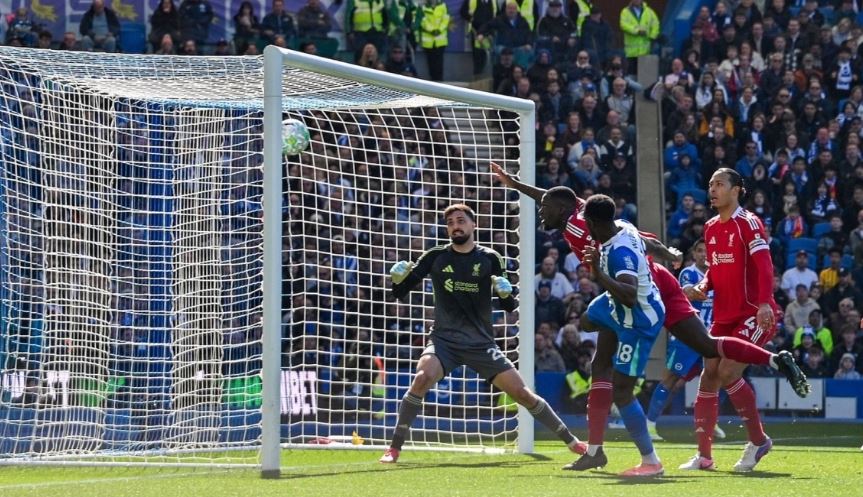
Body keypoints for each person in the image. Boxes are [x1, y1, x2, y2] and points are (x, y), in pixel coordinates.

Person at [489, 162, 810, 470]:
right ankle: (695, 454)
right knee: (703, 360)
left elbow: (626, 280)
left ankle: (648, 457)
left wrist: (600, 274)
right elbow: (558, 199)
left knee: (636, 369)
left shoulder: (584, 227)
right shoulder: (598, 214)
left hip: (647, 292)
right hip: (661, 286)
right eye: (710, 184)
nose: (541, 211)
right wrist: (516, 185)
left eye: (718, 184)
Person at [378, 204, 586, 463]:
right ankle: (394, 448)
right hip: (444, 341)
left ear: (473, 225)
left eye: (461, 220)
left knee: (523, 394)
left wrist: (505, 292)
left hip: (481, 343)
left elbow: (510, 305)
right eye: (451, 222)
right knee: (421, 377)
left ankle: (573, 441)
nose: (456, 225)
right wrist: (396, 280)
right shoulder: (434, 257)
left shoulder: (490, 258)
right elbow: (400, 293)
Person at [681, 168, 806, 472]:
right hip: (724, 315)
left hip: (753, 313)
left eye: (719, 184)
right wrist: (702, 288)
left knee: (726, 372)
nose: (712, 190)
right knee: (709, 374)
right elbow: (714, 269)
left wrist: (764, 303)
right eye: (710, 184)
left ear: (736, 189)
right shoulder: (710, 228)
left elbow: (764, 264)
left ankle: (758, 440)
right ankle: (705, 457)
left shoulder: (749, 224)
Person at [579, 194, 665, 476]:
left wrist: (598, 275)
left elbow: (628, 295)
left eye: (586, 223)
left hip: (637, 321)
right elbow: (649, 242)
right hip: (615, 306)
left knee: (623, 391)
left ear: (592, 223)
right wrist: (669, 253)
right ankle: (610, 325)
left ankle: (651, 462)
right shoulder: (624, 226)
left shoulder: (619, 254)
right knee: (585, 321)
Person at [644, 239, 725, 442]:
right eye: (699, 251)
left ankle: (709, 421)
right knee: (671, 379)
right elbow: (689, 292)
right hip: (689, 335)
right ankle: (649, 424)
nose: (703, 255)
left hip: (710, 336)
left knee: (714, 379)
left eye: (707, 251)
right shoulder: (688, 273)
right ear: (693, 254)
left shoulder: (719, 275)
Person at [619, 0, 659, 73]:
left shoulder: (649, 11)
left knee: (647, 79)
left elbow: (655, 24)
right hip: (631, 53)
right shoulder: (625, 12)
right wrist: (637, 31)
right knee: (631, 78)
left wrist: (652, 36)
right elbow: (623, 25)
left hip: (646, 52)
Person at [415, 0, 449, 82]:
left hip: (440, 40)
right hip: (428, 41)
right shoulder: (423, 7)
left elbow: (446, 19)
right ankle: (433, 81)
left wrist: (439, 30)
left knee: (439, 61)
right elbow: (422, 21)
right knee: (430, 62)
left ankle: (440, 81)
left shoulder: (443, 6)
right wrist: (431, 30)